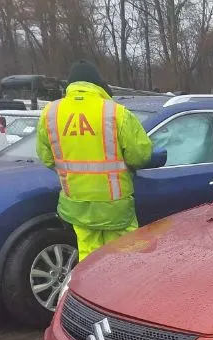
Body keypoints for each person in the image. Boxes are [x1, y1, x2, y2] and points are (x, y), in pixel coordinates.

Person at [36, 60, 153, 263]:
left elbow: (46, 157)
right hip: (114, 206)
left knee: (89, 258)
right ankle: (121, 294)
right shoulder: (116, 112)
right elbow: (140, 155)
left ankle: (91, 293)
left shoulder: (50, 113)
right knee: (125, 258)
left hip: (77, 205)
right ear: (98, 84)